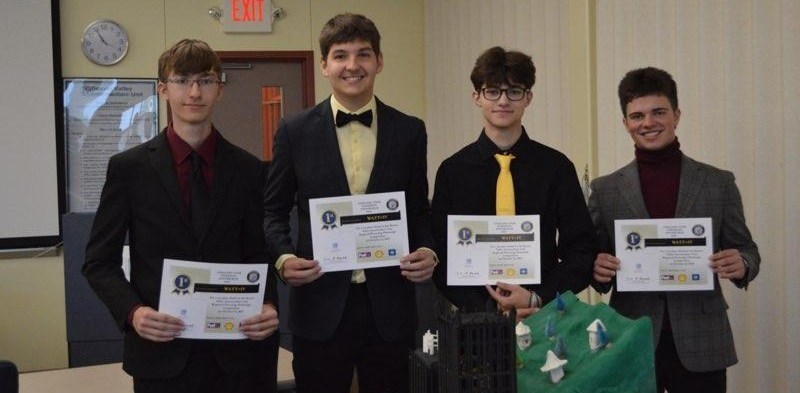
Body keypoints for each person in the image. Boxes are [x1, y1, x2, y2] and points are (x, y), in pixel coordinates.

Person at [83, 39, 280, 393]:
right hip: (162, 353)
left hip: (238, 354)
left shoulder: (248, 169)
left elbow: (258, 254)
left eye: (206, 80)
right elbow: (99, 262)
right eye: (182, 80)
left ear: (219, 90)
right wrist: (134, 313)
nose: (194, 91)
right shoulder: (129, 169)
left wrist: (267, 303)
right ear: (163, 89)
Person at [262, 13, 436, 393]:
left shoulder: (410, 130)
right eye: (340, 55)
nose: (352, 65)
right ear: (324, 64)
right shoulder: (294, 131)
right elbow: (273, 211)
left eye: (363, 54)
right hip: (320, 303)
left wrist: (427, 249)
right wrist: (283, 259)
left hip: (390, 305)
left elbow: (419, 209)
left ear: (379, 62)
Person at [589, 66, 761, 393]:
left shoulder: (718, 183)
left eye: (658, 112)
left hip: (702, 337)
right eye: (637, 115)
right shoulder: (605, 190)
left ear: (677, 115)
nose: (648, 123)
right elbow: (592, 261)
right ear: (625, 123)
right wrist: (597, 268)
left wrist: (742, 263)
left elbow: (748, 250)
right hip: (631, 336)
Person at [431, 46, 597, 319]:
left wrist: (536, 298)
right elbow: (440, 256)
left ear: (528, 98)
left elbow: (581, 251)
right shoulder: (452, 171)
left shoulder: (557, 167)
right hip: (475, 323)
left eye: (514, 91)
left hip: (544, 316)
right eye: (493, 91)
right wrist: (485, 309)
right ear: (477, 97)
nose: (503, 101)